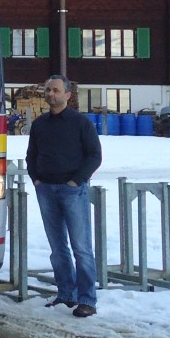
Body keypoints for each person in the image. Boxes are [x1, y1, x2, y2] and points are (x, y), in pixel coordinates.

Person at [26, 75, 103, 318]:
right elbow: (31, 156)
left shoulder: (81, 124)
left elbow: (94, 156)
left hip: (72, 191)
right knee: (57, 248)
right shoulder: (39, 125)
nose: (50, 94)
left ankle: (87, 300)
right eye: (48, 90)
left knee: (81, 247)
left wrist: (75, 181)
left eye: (56, 90)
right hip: (46, 190)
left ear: (68, 95)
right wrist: (36, 180)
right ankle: (65, 294)